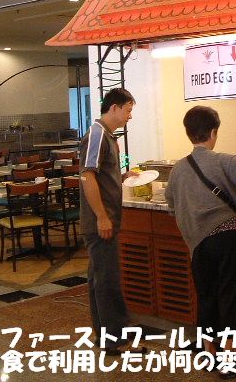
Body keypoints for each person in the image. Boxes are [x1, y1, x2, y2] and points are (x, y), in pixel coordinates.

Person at [165, 106, 236, 374]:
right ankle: (229, 360)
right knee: (230, 296)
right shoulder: (224, 160)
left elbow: (172, 205)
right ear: (213, 132)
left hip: (198, 242)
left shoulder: (178, 169)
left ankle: (210, 354)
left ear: (188, 133)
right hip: (229, 236)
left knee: (206, 296)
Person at [79, 87, 141, 355]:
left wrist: (123, 177)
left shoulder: (106, 136)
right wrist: (102, 217)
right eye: (128, 110)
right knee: (107, 281)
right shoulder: (96, 134)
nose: (130, 116)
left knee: (99, 280)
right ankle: (116, 341)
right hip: (100, 223)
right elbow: (87, 176)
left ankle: (105, 336)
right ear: (114, 107)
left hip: (104, 220)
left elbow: (102, 175)